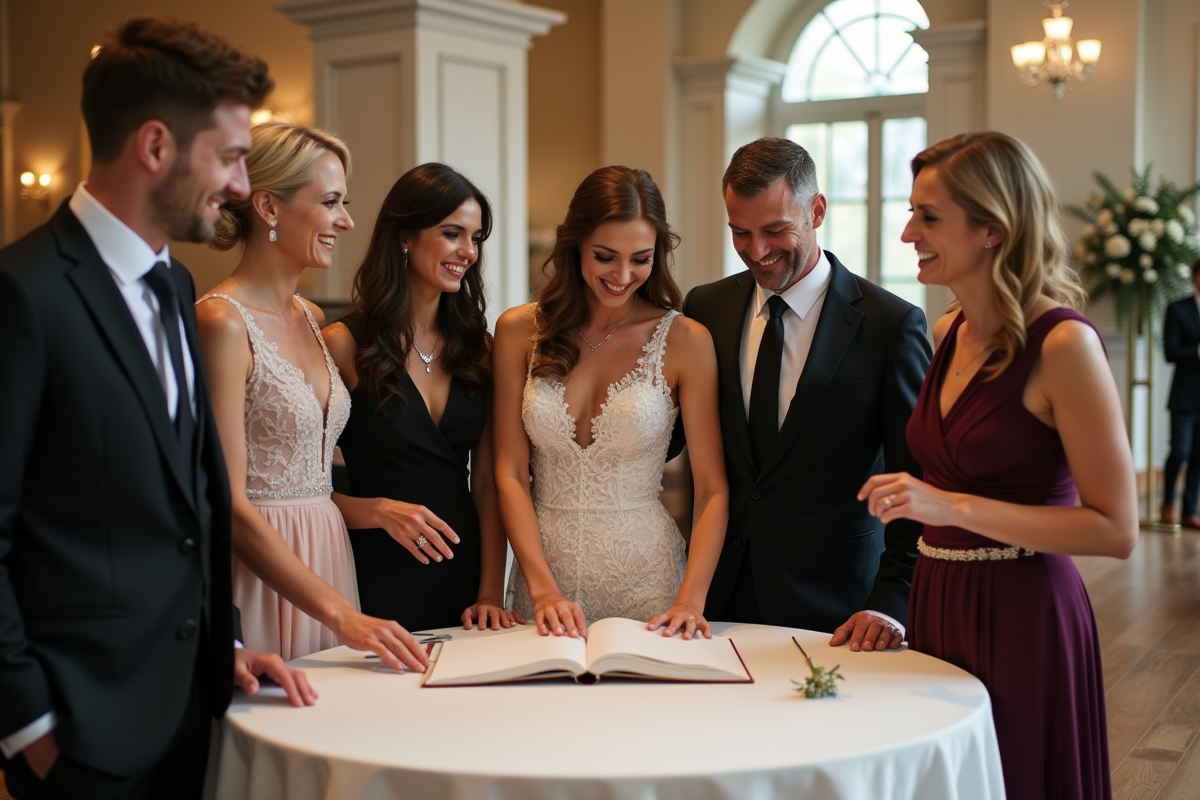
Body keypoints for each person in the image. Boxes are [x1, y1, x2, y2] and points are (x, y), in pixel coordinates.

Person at [0, 19, 316, 800]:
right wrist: (32, 729)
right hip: (79, 737)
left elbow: (187, 504)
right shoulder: (22, 296)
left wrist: (224, 647)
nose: (242, 187)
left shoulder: (175, 287)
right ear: (154, 147)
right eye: (232, 157)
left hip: (192, 709)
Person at [859, 131, 1137, 799]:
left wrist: (948, 507)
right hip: (938, 601)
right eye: (910, 211)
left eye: (928, 217)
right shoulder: (947, 327)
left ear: (992, 228)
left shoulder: (1065, 344)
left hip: (1026, 613)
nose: (907, 233)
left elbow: (1116, 529)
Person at [680, 137, 930, 651]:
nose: (757, 251)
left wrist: (890, 600)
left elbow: (917, 479)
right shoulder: (705, 308)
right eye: (740, 233)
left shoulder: (891, 324)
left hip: (841, 610)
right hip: (715, 599)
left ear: (816, 211)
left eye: (775, 230)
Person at [196, 123, 429, 671]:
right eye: (330, 202)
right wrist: (338, 614)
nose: (346, 221)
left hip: (328, 553)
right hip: (260, 570)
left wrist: (366, 509)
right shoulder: (221, 322)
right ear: (269, 207)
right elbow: (229, 500)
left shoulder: (311, 316)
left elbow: (302, 480)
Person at [494, 165, 729, 640]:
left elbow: (712, 490)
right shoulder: (518, 330)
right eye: (605, 256)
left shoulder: (686, 340)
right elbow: (510, 472)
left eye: (640, 259)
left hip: (649, 583)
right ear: (574, 244)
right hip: (543, 585)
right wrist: (542, 589)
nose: (623, 276)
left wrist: (690, 599)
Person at [323, 164, 520, 632]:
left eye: (475, 238)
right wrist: (375, 510)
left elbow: (490, 481)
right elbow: (304, 490)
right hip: (374, 562)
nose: (467, 252)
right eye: (452, 234)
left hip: (463, 563)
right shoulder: (343, 344)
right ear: (404, 236)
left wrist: (490, 588)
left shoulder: (480, 347)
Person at [1160, 259, 1200, 527]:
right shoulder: (1177, 308)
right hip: (1184, 395)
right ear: (1195, 277)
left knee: (1199, 455)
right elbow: (1170, 352)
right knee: (1180, 451)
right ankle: (1167, 501)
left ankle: (1190, 510)